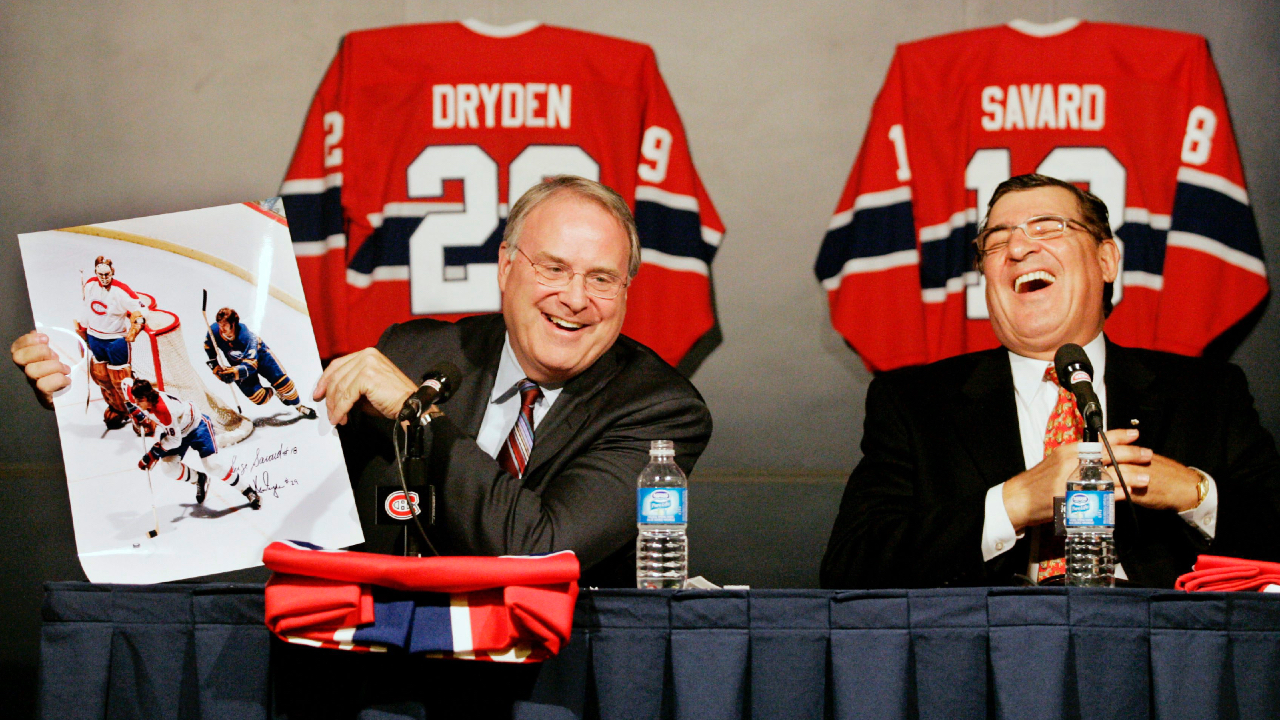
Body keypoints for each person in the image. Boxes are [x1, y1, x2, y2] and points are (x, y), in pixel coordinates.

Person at [820, 173, 1280, 589]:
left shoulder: (1206, 394)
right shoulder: (914, 403)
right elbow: (850, 568)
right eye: (997, 240)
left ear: (1106, 260)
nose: (1018, 248)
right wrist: (1014, 502)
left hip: (1159, 647)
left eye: (1047, 228)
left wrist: (1193, 493)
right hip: (987, 646)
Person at [311, 176, 710, 587]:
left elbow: (540, 551)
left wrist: (421, 419)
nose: (575, 299)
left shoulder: (659, 409)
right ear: (506, 267)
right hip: (386, 623)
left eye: (602, 279)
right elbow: (301, 492)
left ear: (626, 291)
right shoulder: (410, 357)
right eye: (554, 269)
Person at [122, 377, 262, 510]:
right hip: (178, 430)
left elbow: (174, 441)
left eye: (139, 401)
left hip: (196, 426)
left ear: (148, 398)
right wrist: (133, 409)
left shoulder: (164, 411)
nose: (136, 402)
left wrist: (153, 453)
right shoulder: (139, 396)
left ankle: (248, 490)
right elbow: (125, 383)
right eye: (135, 400)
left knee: (213, 466)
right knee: (169, 468)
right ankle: (200, 479)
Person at [204, 307, 317, 419]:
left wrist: (235, 373)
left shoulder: (247, 337)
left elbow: (251, 365)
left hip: (261, 357)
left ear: (233, 324)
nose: (221, 328)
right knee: (259, 398)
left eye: (224, 325)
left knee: (285, 385)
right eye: (219, 324)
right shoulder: (213, 331)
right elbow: (209, 347)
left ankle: (299, 407)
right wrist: (216, 368)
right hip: (239, 365)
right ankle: (274, 391)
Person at [76, 256, 146, 430]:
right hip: (95, 337)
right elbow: (87, 308)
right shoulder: (90, 285)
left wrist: (136, 325)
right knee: (102, 377)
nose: (104, 278)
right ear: (95, 273)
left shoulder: (121, 290)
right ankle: (117, 407)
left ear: (112, 272)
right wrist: (83, 330)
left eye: (107, 274)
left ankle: (138, 412)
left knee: (121, 380)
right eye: (100, 274)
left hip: (115, 340)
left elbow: (140, 309)